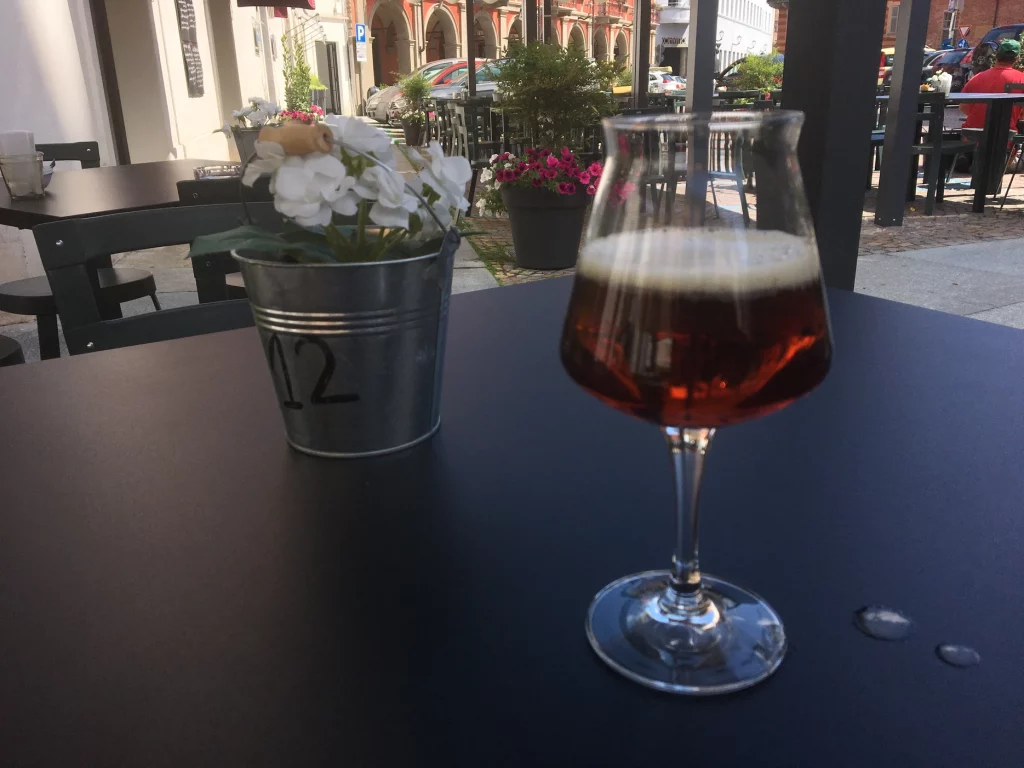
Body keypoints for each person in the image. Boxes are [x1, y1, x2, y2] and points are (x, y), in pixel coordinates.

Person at [959, 39, 1024, 132]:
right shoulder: (1021, 79)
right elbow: (1022, 115)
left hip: (973, 135)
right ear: (1017, 58)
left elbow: (963, 107)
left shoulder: (977, 78)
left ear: (996, 55)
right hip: (1004, 136)